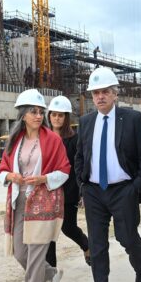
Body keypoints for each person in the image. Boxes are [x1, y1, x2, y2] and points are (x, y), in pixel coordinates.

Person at [74, 67, 141, 282]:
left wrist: (135, 188)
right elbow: (79, 158)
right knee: (97, 247)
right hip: (95, 192)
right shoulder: (86, 122)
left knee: (127, 237)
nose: (100, 97)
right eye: (95, 93)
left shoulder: (131, 119)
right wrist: (83, 187)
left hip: (123, 191)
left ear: (115, 94)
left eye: (105, 92)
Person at [0, 89, 70, 282]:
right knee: (20, 253)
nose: (39, 116)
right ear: (23, 115)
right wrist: (11, 176)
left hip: (43, 202)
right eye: (33, 112)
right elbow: (1, 170)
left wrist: (44, 179)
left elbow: (64, 170)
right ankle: (50, 274)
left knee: (37, 255)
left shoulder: (53, 140)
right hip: (20, 202)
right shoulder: (14, 142)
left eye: (41, 112)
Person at [46, 95, 91, 268]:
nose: (57, 118)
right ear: (49, 116)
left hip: (69, 192)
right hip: (49, 191)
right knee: (49, 233)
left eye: (61, 115)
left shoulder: (75, 139)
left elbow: (79, 166)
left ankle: (87, 246)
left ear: (66, 118)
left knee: (68, 228)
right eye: (54, 114)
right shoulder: (44, 138)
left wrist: (81, 191)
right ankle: (51, 273)